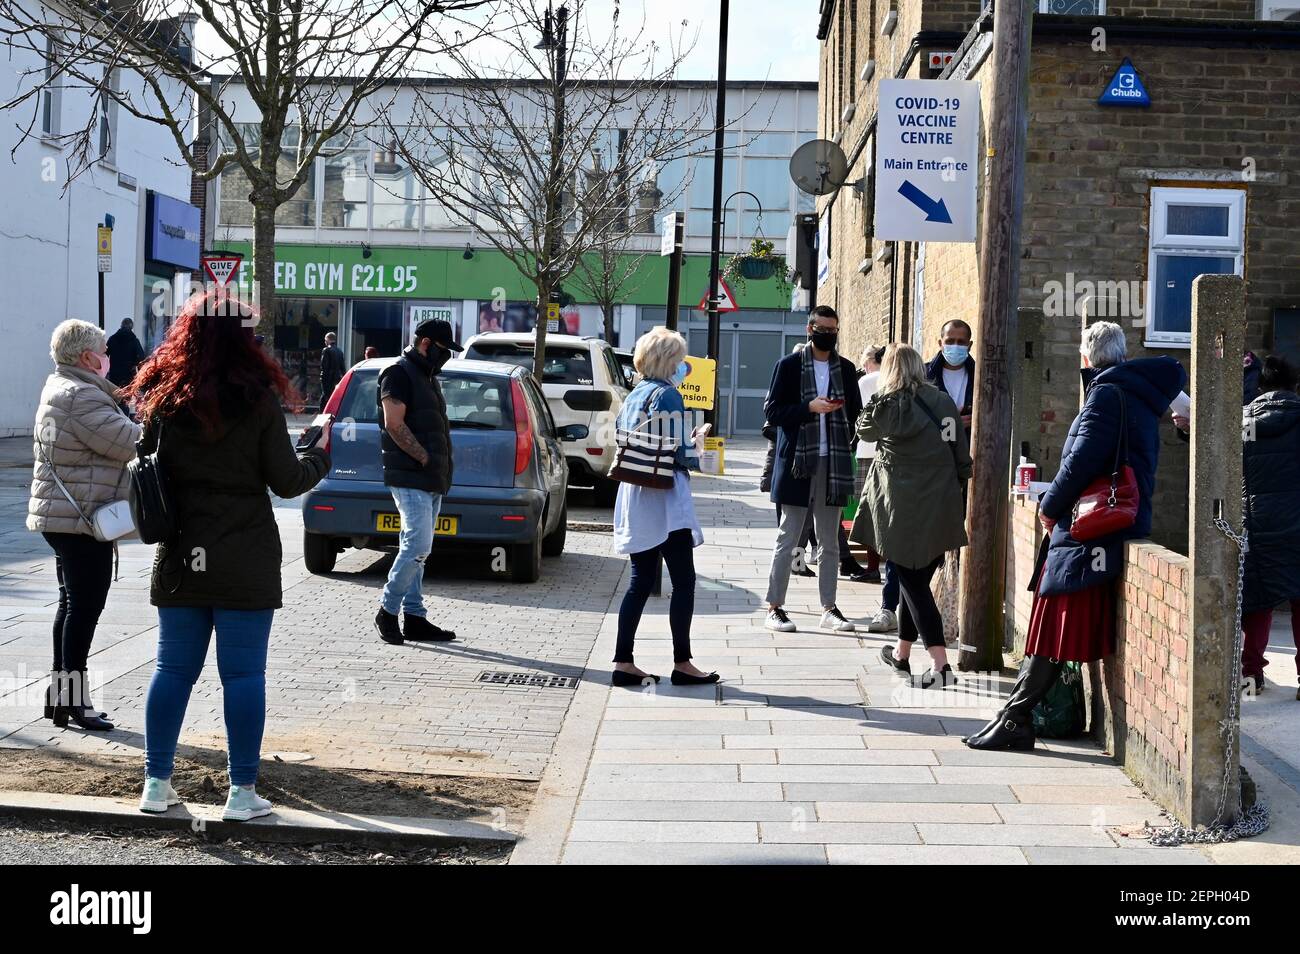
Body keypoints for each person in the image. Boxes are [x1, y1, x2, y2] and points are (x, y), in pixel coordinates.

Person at [125, 291, 330, 819]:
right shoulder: (256, 398)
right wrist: (319, 456)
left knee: (171, 670)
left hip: (181, 552)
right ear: (243, 340)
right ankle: (241, 793)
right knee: (242, 676)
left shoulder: (163, 396)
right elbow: (287, 481)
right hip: (244, 552)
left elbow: (150, 466)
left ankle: (155, 782)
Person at [966, 321, 1185, 750]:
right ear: (1122, 354)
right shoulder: (1137, 391)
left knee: (1052, 622)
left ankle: (1016, 718)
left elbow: (1082, 461)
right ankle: (1015, 715)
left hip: (1090, 527)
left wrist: (1048, 508)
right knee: (1052, 623)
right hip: (1111, 523)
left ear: (1085, 358)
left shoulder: (1105, 394)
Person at [27, 319, 142, 731]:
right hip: (78, 518)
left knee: (71, 603)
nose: (107, 357)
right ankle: (75, 701)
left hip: (66, 515)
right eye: (102, 350)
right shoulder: (81, 396)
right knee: (83, 608)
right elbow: (130, 441)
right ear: (86, 357)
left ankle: (60, 699)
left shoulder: (63, 386)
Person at [851, 343, 970, 689]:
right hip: (940, 504)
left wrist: (876, 395)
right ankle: (902, 655)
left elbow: (864, 432)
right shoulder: (944, 403)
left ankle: (941, 665)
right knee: (912, 582)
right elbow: (961, 455)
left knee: (913, 584)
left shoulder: (887, 406)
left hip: (898, 506)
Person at [610, 327, 717, 687]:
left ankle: (623, 661)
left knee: (639, 581)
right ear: (669, 360)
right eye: (680, 359)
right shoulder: (668, 396)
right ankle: (682, 663)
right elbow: (680, 455)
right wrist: (698, 443)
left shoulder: (634, 395)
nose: (684, 365)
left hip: (635, 493)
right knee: (684, 581)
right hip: (665, 498)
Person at [763, 305, 862, 634]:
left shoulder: (846, 369)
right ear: (809, 329)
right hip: (797, 462)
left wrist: (842, 417)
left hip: (832, 463)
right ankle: (775, 607)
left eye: (833, 330)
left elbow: (857, 415)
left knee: (830, 540)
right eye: (822, 328)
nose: (828, 334)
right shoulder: (789, 366)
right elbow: (773, 412)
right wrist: (809, 408)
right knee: (788, 537)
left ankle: (829, 607)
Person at [374, 319, 461, 645]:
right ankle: (388, 609)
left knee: (418, 550)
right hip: (410, 475)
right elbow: (394, 424)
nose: (445, 357)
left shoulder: (426, 375)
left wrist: (436, 465)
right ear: (425, 343)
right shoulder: (398, 373)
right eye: (443, 350)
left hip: (430, 476)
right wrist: (424, 457)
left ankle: (415, 617)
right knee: (417, 546)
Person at [1240, 355, 1300, 699]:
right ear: (1294, 387)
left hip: (1257, 526)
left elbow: (1215, 454)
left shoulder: (1245, 422)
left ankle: (1252, 679)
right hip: (1298, 526)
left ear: (1260, 388)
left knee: (1257, 604)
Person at [853, 345, 885, 585]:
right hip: (894, 453)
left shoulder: (865, 382)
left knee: (870, 513)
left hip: (867, 450)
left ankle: (872, 566)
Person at [927, 319, 975, 429]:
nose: (955, 346)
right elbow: (915, 418)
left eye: (961, 342)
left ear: (969, 345)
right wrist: (951, 425)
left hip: (969, 444)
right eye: (950, 341)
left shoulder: (981, 376)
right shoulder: (923, 375)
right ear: (940, 343)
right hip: (934, 445)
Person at [105, 317, 146, 388]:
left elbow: (105, 355)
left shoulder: (112, 339)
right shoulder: (134, 341)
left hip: (114, 375)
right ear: (131, 328)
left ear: (121, 326)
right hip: (128, 376)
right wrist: (135, 364)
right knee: (127, 397)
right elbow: (142, 358)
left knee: (114, 396)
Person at [319, 331, 346, 407]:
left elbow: (324, 367)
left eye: (325, 340)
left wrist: (322, 380)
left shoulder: (326, 350)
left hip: (327, 380)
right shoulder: (340, 352)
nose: (325, 342)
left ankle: (323, 414)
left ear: (327, 339)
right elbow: (343, 368)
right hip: (336, 380)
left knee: (324, 399)